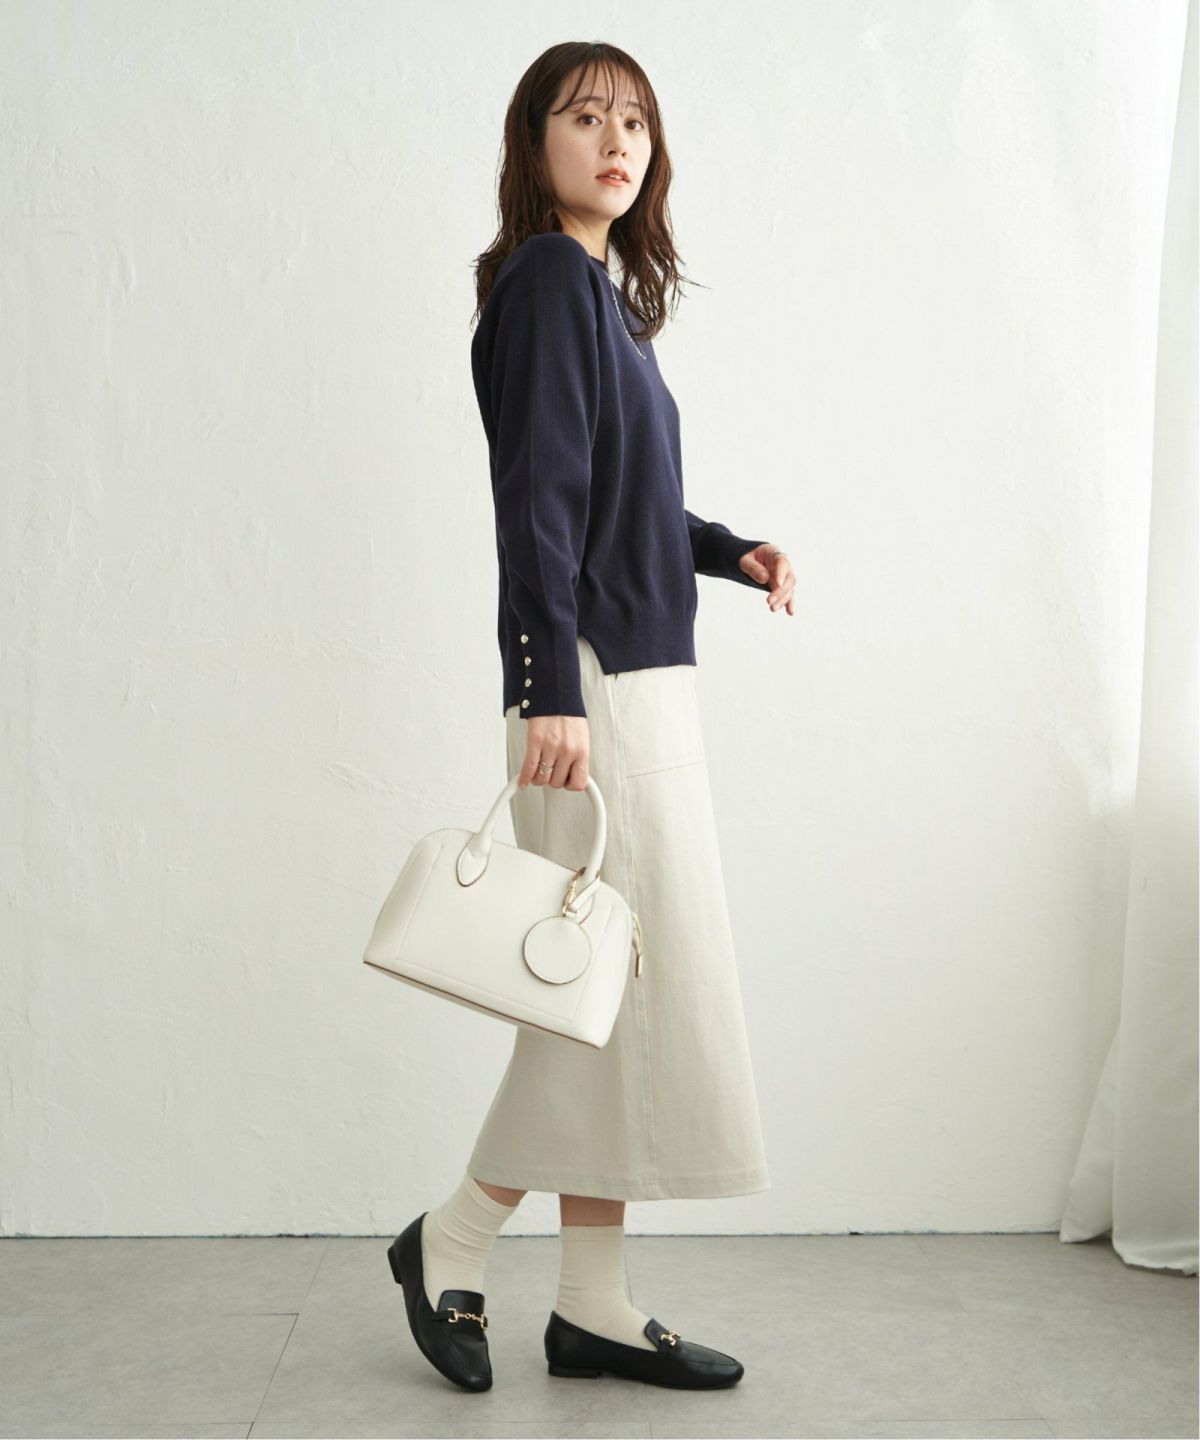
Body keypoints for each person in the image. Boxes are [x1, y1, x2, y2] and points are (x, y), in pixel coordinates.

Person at [387, 40, 796, 1393]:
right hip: (595, 689)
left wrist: (729, 551)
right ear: (535, 143)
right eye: (585, 117)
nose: (616, 140)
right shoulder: (550, 283)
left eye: (635, 121)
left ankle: (593, 1304)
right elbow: (541, 500)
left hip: (636, 680)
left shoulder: (600, 301)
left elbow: (627, 501)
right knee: (588, 994)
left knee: (617, 999)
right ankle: (452, 1237)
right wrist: (547, 687)